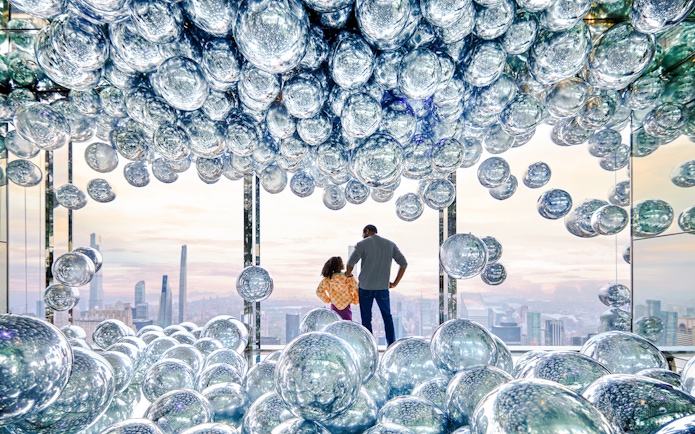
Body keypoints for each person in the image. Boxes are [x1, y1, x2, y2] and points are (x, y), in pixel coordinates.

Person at [346, 224, 407, 346]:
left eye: (363, 234)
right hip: (383, 288)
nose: (363, 237)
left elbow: (350, 263)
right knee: (387, 318)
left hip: (365, 288)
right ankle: (391, 345)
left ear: (367, 231)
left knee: (366, 319)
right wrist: (395, 283)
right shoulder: (390, 244)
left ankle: (369, 346)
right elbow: (403, 263)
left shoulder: (361, 244)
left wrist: (348, 274)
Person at [316, 256, 359, 320]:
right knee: (347, 326)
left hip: (334, 306)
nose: (343, 264)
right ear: (340, 266)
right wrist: (354, 300)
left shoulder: (328, 279)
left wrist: (327, 300)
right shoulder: (348, 277)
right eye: (342, 263)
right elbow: (356, 289)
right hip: (346, 307)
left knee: (334, 326)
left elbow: (319, 291)